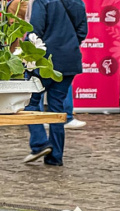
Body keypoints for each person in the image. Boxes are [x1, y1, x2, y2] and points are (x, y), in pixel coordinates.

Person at [23, 0, 88, 165]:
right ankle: (55, 156)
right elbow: (82, 31)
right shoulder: (77, 2)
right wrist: (68, 45)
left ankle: (39, 143)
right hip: (69, 60)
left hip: (43, 61)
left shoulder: (42, 1)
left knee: (30, 103)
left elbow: (34, 32)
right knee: (57, 109)